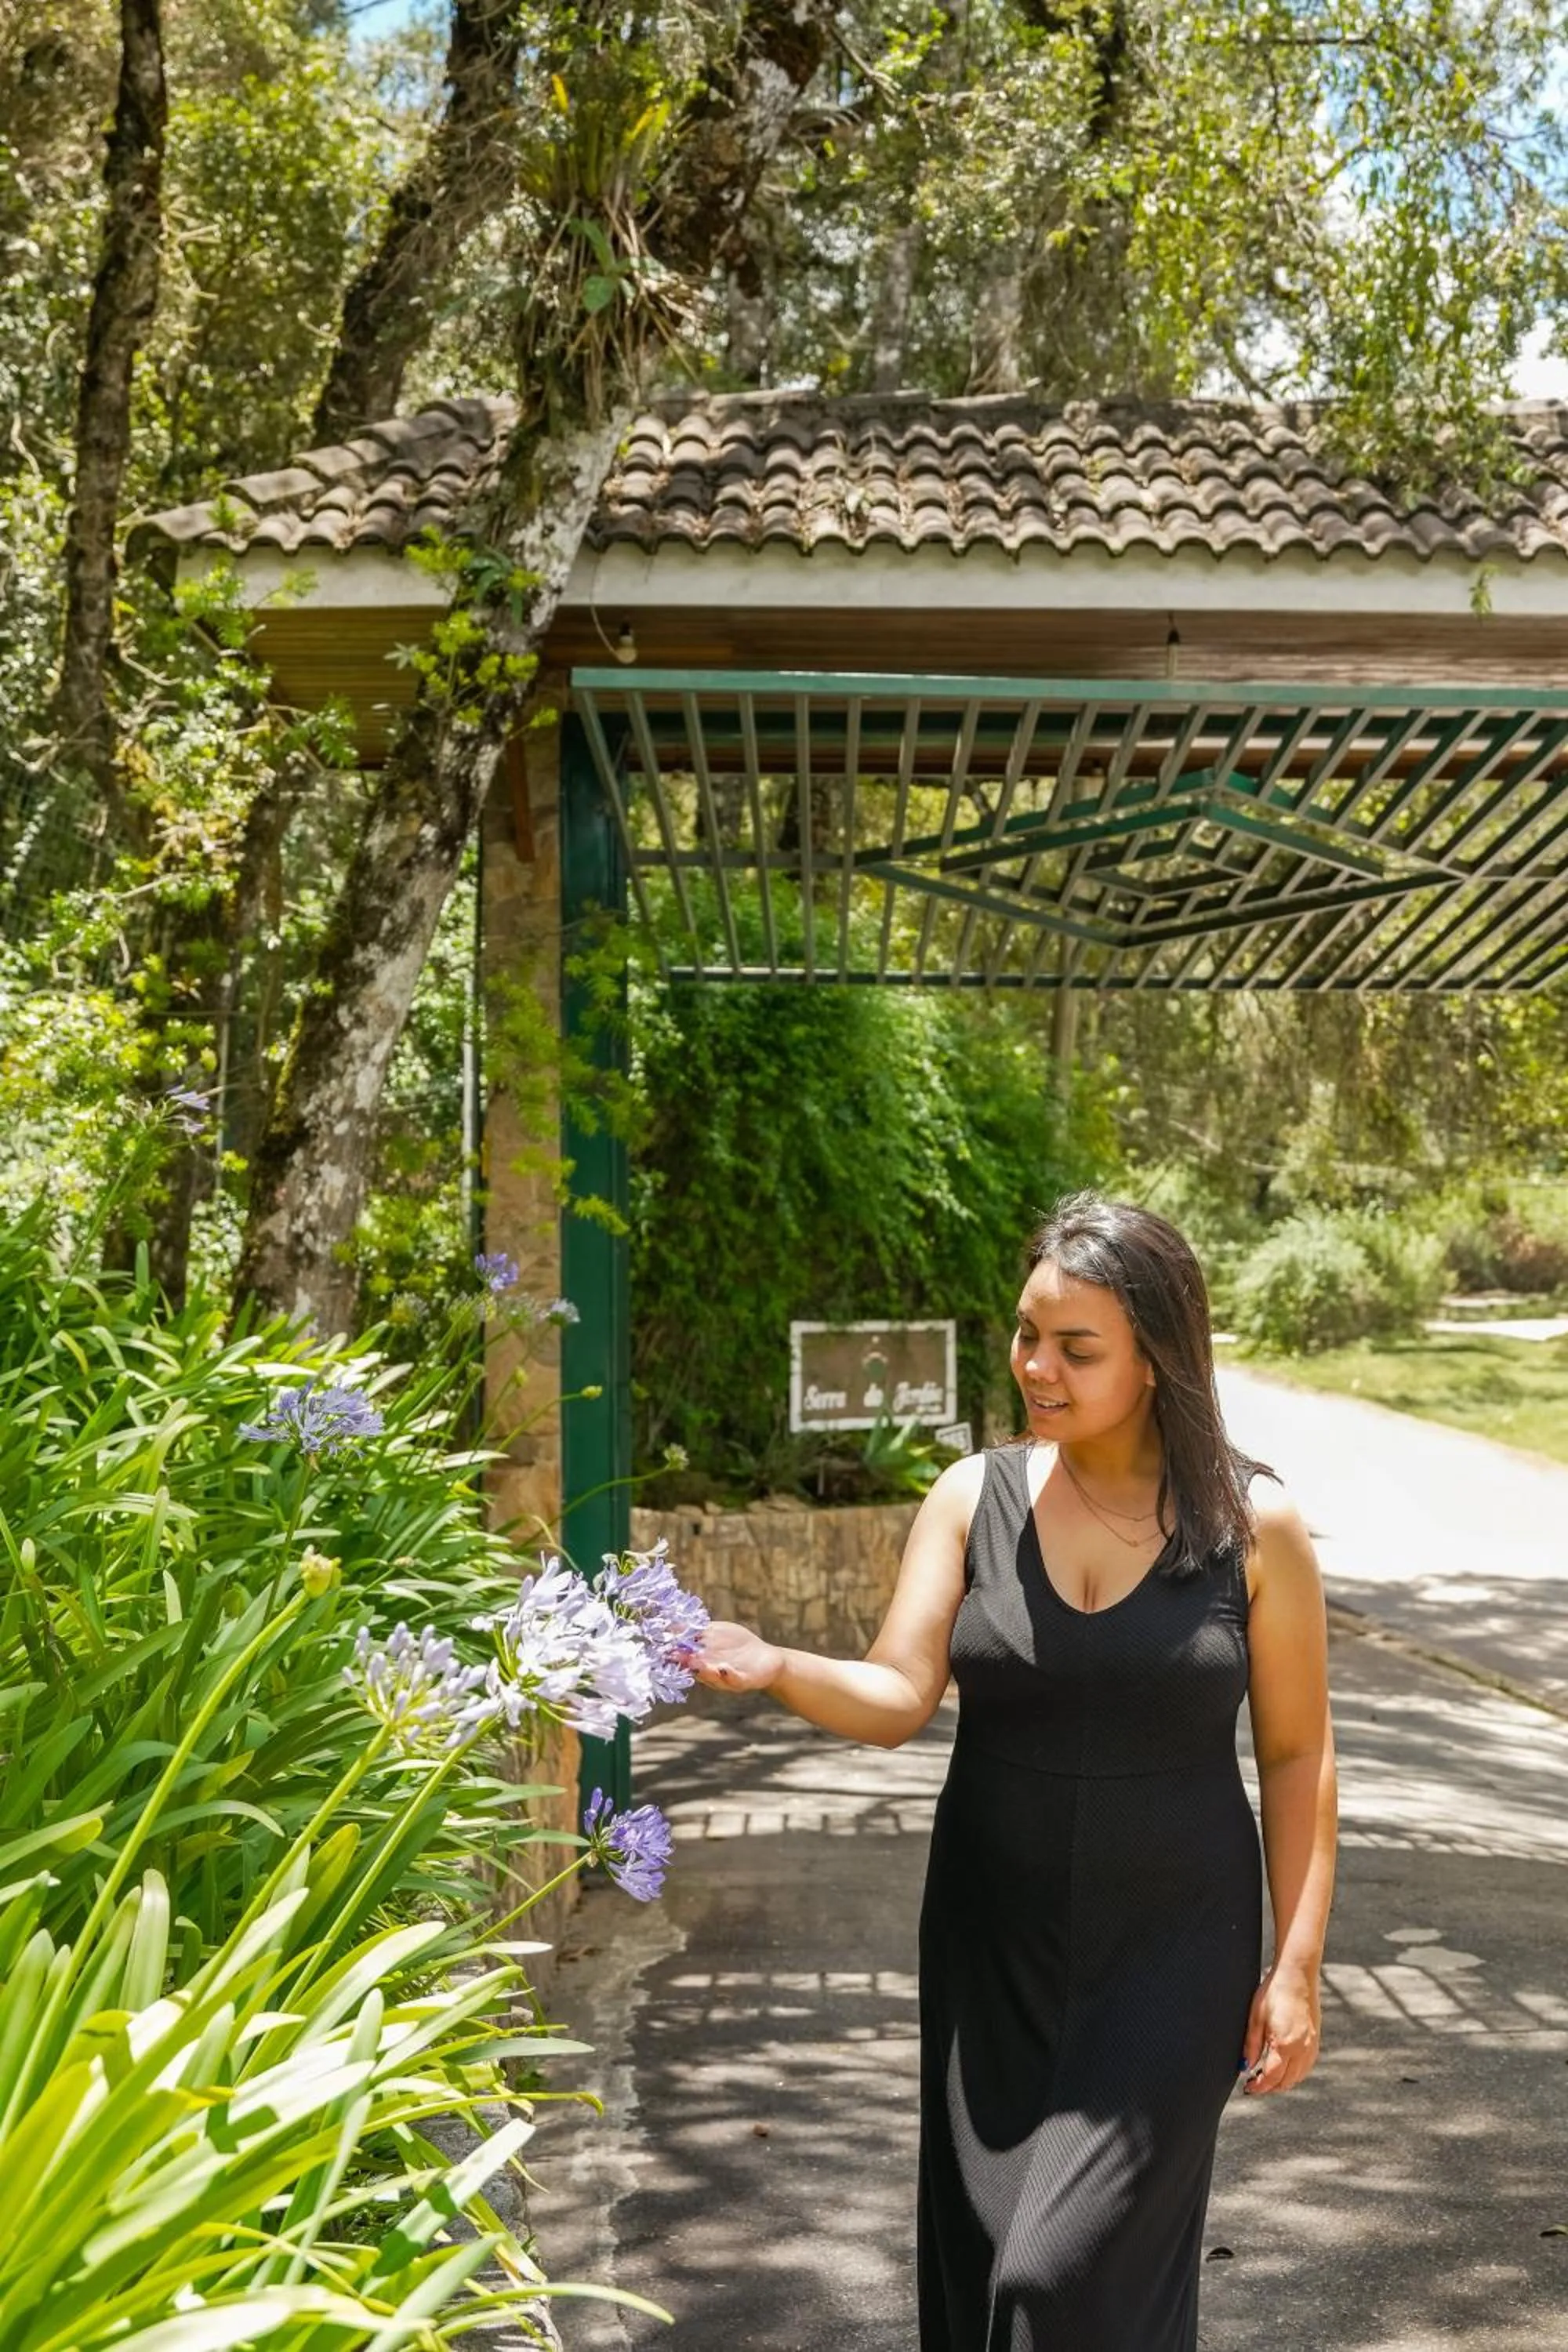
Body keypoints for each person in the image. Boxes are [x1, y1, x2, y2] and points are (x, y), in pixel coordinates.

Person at [688, 1189, 1338, 2352]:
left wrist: (1295, 1966)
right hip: (994, 1953)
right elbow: (898, 1697)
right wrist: (775, 1662)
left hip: (1173, 1962)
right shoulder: (970, 1497)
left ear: (1158, 1358)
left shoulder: (1254, 1526)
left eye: (1075, 1348)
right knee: (985, 2270)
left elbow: (1297, 1755)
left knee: (1056, 2281)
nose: (1037, 1365)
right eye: (1028, 1334)